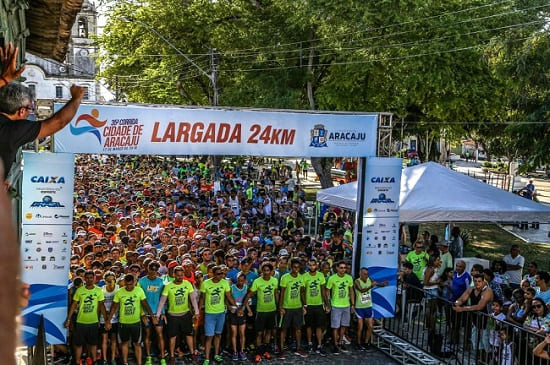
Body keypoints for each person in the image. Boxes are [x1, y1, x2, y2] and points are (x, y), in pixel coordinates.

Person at [0, 81, 85, 181]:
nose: (30, 113)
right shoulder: (14, 130)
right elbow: (59, 121)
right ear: (21, 111)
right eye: (30, 108)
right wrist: (76, 98)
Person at [106, 274, 158, 365]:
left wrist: (152, 317)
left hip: (136, 322)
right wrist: (108, 320)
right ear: (124, 283)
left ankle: (139, 363)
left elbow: (145, 304)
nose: (129, 287)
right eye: (127, 284)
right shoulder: (119, 292)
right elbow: (114, 307)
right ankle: (125, 362)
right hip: (123, 322)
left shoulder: (139, 291)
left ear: (134, 282)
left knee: (137, 344)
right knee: (124, 343)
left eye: (131, 284)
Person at [157, 265, 199, 365]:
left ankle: (192, 353)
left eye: (181, 275)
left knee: (189, 334)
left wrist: (196, 312)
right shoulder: (168, 286)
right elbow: (162, 301)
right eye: (178, 275)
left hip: (185, 314)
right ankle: (171, 356)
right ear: (174, 275)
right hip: (173, 315)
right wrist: (158, 314)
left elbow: (192, 298)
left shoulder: (188, 284)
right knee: (172, 336)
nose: (180, 277)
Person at [64, 270, 107, 365]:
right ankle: (77, 361)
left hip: (93, 321)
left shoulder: (98, 290)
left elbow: (101, 306)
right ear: (84, 279)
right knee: (79, 344)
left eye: (91, 278)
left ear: (94, 278)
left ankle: (94, 361)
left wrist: (107, 320)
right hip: (81, 321)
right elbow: (74, 305)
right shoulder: (80, 290)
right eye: (87, 278)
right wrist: (68, 319)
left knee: (93, 343)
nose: (89, 280)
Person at [199, 265, 237, 365]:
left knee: (218, 334)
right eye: (219, 274)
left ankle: (216, 354)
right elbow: (202, 298)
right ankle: (207, 358)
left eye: (222, 273)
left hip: (221, 313)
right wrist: (198, 312)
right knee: (209, 336)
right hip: (209, 314)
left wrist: (237, 307)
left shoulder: (225, 283)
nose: (221, 275)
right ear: (214, 274)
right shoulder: (206, 283)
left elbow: (229, 296)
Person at [243, 262, 279, 363]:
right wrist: (244, 306)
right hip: (261, 310)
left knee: (268, 332)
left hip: (271, 310)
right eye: (264, 271)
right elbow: (250, 294)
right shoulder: (257, 281)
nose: (266, 273)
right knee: (259, 332)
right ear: (261, 271)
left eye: (268, 271)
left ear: (271, 272)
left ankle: (265, 351)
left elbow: (276, 293)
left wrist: (278, 306)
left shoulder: (275, 280)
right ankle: (258, 352)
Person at [453, 274, 494, 353]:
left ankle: (488, 358)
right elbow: (462, 298)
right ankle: (479, 358)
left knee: (485, 340)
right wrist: (456, 303)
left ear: (483, 282)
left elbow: (480, 306)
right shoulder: (471, 289)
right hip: (475, 318)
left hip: (487, 319)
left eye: (479, 281)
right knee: (474, 339)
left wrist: (462, 308)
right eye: (475, 281)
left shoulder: (487, 291)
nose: (477, 283)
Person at [138, 261, 166, 365]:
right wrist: (142, 314)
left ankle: (163, 357)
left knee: (160, 335)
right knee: (147, 335)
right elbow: (140, 300)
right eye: (151, 269)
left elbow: (162, 298)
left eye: (155, 270)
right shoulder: (141, 281)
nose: (153, 272)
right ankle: (148, 357)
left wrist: (162, 312)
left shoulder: (160, 281)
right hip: (146, 314)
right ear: (147, 269)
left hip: (157, 313)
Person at [278, 258, 307, 359]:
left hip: (298, 307)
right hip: (287, 307)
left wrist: (304, 305)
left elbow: (302, 291)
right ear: (291, 267)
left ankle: (298, 348)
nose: (296, 269)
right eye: (294, 267)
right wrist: (280, 307)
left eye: (298, 267)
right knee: (283, 329)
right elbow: (282, 293)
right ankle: (281, 349)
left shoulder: (301, 277)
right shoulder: (285, 278)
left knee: (298, 329)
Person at [354, 267, 387, 351]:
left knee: (370, 326)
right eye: (364, 274)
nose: (366, 276)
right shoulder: (357, 281)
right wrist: (370, 286)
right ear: (360, 274)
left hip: (368, 306)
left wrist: (383, 284)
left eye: (367, 274)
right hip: (359, 307)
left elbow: (376, 284)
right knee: (360, 327)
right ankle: (358, 343)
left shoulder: (369, 279)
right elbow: (361, 290)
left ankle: (366, 342)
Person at [326, 260, 355, 354]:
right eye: (341, 268)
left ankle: (340, 341)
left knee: (344, 325)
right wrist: (327, 304)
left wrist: (353, 304)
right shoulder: (332, 278)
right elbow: (327, 291)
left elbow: (351, 291)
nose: (343, 270)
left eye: (344, 268)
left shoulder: (349, 278)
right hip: (335, 305)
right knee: (335, 326)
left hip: (346, 305)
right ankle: (335, 344)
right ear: (337, 268)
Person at [302, 258, 329, 355]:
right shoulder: (304, 276)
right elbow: (303, 292)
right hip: (309, 305)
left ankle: (319, 345)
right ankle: (309, 343)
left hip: (318, 304)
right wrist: (304, 305)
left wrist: (327, 304)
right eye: (310, 265)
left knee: (319, 326)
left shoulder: (321, 275)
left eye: (313, 265)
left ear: (316, 266)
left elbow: (323, 291)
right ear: (307, 266)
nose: (312, 267)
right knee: (308, 325)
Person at [228, 272, 252, 361]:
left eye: (242, 280)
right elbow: (228, 298)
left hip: (242, 312)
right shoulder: (232, 288)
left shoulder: (246, 288)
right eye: (239, 280)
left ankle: (242, 350)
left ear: (244, 280)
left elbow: (246, 300)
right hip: (234, 312)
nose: (240, 282)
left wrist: (248, 310)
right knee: (234, 333)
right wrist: (231, 307)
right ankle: (235, 351)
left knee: (242, 333)